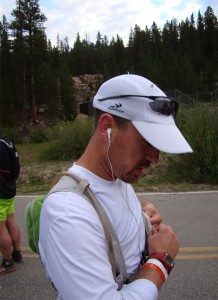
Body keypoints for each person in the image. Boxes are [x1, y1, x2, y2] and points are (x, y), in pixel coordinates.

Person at [39, 74, 193, 299]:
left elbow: (109, 200)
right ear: (107, 127)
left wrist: (141, 214)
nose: (155, 158)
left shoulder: (116, 175)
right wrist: (161, 260)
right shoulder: (67, 214)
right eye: (146, 142)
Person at [0, 133, 24, 275]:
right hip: (9, 186)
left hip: (1, 189)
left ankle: (7, 262)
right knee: (10, 221)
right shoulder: (5, 140)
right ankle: (17, 254)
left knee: (1, 228)